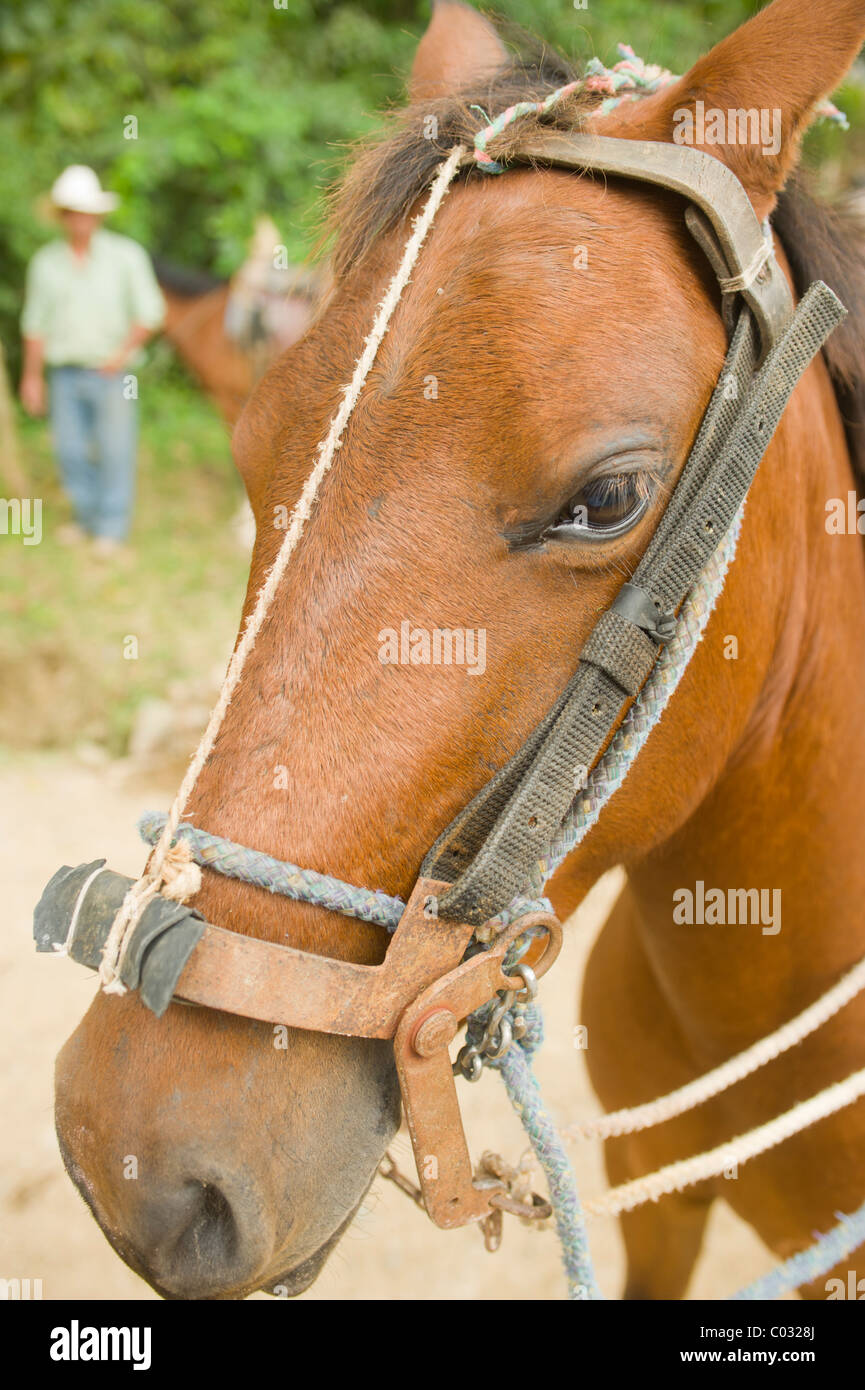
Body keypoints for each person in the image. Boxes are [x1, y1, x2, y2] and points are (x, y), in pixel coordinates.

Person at [19, 165, 165, 552]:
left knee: (116, 449)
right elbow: (35, 325)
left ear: (97, 215)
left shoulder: (125, 257)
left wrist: (119, 357)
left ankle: (111, 528)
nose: (79, 219)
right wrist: (31, 378)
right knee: (69, 450)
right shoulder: (46, 263)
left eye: (85, 211)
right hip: (64, 373)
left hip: (113, 374)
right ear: (63, 216)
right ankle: (85, 518)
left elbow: (150, 312)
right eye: (72, 211)